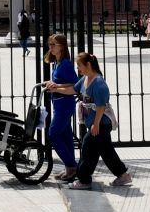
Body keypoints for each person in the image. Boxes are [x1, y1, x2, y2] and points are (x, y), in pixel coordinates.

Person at [51, 52, 131, 189]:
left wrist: (95, 124)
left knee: (88, 148)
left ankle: (84, 180)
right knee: (106, 151)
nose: (78, 69)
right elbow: (72, 90)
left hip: (101, 123)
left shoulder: (99, 83)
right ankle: (123, 175)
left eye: (79, 65)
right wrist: (55, 87)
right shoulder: (85, 79)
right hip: (96, 123)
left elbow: (101, 106)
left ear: (88, 65)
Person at [43, 34, 78, 181]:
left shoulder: (65, 64)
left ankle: (71, 166)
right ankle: (70, 169)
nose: (50, 47)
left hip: (64, 105)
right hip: (58, 104)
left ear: (62, 47)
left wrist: (56, 87)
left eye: (53, 44)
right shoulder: (57, 63)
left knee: (53, 135)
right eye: (49, 44)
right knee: (66, 136)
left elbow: (76, 86)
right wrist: (52, 84)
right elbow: (62, 83)